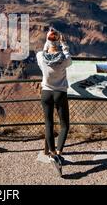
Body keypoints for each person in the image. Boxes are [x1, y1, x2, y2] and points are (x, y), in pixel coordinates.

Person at [36, 27, 72, 177]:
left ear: (47, 41)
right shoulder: (65, 60)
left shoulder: (40, 57)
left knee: (48, 124)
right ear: (58, 41)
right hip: (60, 93)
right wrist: (63, 44)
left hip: (46, 93)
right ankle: (58, 153)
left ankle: (51, 154)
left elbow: (45, 50)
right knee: (64, 125)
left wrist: (48, 40)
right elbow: (68, 57)